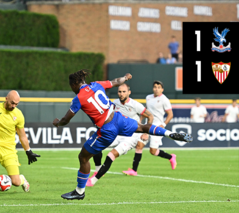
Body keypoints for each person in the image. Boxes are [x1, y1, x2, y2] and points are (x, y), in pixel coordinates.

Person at [53, 70, 192, 200]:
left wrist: (58, 123)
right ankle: (170, 133)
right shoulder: (96, 85)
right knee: (142, 127)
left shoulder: (79, 98)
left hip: (107, 129)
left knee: (83, 157)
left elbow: (66, 119)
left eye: (71, 86)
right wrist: (125, 78)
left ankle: (79, 192)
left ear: (74, 84)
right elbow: (115, 82)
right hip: (118, 119)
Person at [86, 83, 153, 187]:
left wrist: (145, 133)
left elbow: (150, 116)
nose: (121, 94)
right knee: (96, 146)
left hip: (131, 137)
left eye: (124, 92)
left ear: (129, 92)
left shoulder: (135, 105)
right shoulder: (115, 103)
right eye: (119, 92)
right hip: (116, 134)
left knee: (111, 155)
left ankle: (93, 181)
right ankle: (98, 170)